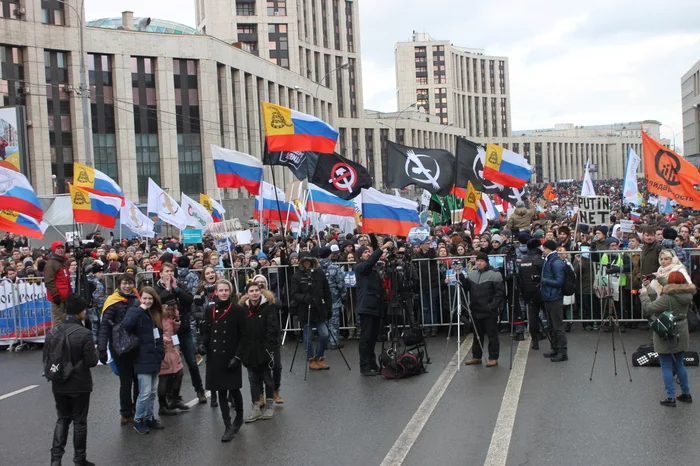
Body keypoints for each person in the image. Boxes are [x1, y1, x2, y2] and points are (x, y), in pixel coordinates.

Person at [48, 294, 98, 466]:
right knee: (79, 421)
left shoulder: (53, 331)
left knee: (62, 419)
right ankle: (79, 459)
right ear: (80, 312)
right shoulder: (85, 333)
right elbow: (91, 361)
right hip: (80, 383)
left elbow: (47, 358)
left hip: (59, 382)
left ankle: (55, 459)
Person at [198, 279, 246, 442]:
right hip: (215, 356)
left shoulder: (238, 310)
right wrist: (203, 345)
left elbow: (243, 336)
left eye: (227, 290)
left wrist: (237, 357)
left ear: (230, 292)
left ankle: (239, 417)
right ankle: (227, 425)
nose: (224, 293)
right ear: (216, 292)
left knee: (233, 389)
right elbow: (206, 331)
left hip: (231, 356)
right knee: (220, 391)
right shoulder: (210, 309)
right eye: (221, 290)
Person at [639, 271, 694, 406]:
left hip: (667, 332)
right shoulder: (687, 294)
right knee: (679, 363)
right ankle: (686, 393)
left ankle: (670, 397)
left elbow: (649, 308)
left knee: (666, 365)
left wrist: (644, 295)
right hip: (681, 330)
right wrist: (660, 279)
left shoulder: (667, 299)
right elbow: (674, 287)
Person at [155, 262, 205, 404]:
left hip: (183, 330)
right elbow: (157, 303)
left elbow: (189, 301)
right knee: (169, 367)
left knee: (191, 362)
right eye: (166, 271)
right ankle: (171, 397)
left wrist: (176, 289)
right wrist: (167, 289)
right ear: (160, 273)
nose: (169, 274)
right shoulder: (156, 288)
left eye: (171, 271)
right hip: (166, 332)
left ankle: (199, 390)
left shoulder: (180, 286)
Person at [97, 273, 140, 424]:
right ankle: (126, 413)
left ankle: (138, 410)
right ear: (119, 285)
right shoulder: (112, 302)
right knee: (126, 381)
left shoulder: (138, 299)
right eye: (124, 283)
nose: (127, 286)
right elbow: (104, 327)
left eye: (130, 283)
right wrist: (102, 348)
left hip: (137, 345)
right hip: (119, 347)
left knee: (139, 380)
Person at [122, 287, 165, 434]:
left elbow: (158, 336)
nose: (147, 301)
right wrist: (140, 309)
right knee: (145, 392)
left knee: (153, 392)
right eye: (145, 298)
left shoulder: (154, 314)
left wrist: (160, 354)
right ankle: (138, 419)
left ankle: (149, 417)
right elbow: (126, 326)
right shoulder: (135, 311)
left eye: (150, 299)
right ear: (140, 298)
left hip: (154, 357)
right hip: (141, 358)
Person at [239, 281, 280, 422]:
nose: (254, 293)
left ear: (260, 292)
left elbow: (273, 329)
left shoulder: (268, 307)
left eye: (257, 290)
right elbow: (241, 331)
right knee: (253, 380)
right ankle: (255, 407)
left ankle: (269, 406)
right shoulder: (243, 309)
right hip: (250, 351)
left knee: (267, 379)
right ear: (247, 294)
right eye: (251, 291)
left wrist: (269, 348)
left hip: (265, 350)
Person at [354, 235, 393, 376]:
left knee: (373, 337)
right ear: (359, 256)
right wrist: (381, 248)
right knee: (366, 337)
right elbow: (369, 263)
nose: (368, 254)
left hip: (376, 306)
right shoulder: (360, 267)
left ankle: (372, 363)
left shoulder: (374, 269)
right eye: (365, 252)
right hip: (366, 306)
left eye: (369, 252)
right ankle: (364, 365)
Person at [290, 252, 333, 371]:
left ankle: (320, 357)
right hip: (305, 309)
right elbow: (293, 294)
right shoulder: (296, 276)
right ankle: (311, 359)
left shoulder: (319, 273)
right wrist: (304, 298)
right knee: (307, 336)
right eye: (304, 261)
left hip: (319, 309)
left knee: (324, 334)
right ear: (301, 263)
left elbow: (326, 290)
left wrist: (329, 307)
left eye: (308, 260)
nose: (306, 263)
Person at [464, 252, 505, 367]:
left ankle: (493, 357)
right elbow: (466, 288)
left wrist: (492, 306)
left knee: (492, 335)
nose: (479, 263)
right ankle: (476, 356)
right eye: (478, 261)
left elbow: (500, 293)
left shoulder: (495, 274)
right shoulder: (472, 274)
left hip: (489, 311)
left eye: (481, 261)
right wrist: (460, 276)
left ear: (486, 262)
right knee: (477, 335)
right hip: (476, 309)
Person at [250, 274, 284, 404]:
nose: (259, 285)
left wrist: (268, 296)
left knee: (277, 367)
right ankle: (260, 394)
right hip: (257, 341)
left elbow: (280, 305)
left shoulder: (271, 298)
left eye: (262, 283)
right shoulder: (250, 300)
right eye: (257, 283)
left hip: (272, 339)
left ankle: (275, 391)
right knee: (259, 369)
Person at [157, 295, 189, 416]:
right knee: (164, 377)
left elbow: (174, 331)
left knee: (179, 373)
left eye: (173, 305)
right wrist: (162, 339)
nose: (171, 307)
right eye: (169, 305)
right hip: (164, 349)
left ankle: (174, 399)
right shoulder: (159, 316)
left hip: (173, 348)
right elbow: (156, 331)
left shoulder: (172, 314)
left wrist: (176, 320)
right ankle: (162, 406)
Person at [540, 240, 568, 362]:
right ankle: (555, 348)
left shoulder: (555, 262)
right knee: (552, 325)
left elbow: (559, 281)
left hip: (554, 297)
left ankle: (562, 352)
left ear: (549, 249)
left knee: (557, 326)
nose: (542, 250)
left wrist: (544, 281)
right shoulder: (550, 260)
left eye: (544, 248)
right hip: (549, 296)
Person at [318, 246, 347, 350]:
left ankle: (323, 343)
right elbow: (340, 284)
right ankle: (334, 342)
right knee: (334, 321)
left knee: (322, 321)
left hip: (319, 299)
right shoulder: (334, 267)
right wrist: (343, 295)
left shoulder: (315, 268)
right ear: (329, 255)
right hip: (333, 298)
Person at [45, 241, 71, 327]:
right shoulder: (51, 263)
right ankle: (57, 339)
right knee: (58, 322)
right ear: (54, 250)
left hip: (65, 297)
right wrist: (55, 295)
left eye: (62, 248)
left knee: (65, 321)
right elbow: (49, 281)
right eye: (58, 248)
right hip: (57, 298)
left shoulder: (63, 262)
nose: (61, 250)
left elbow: (66, 279)